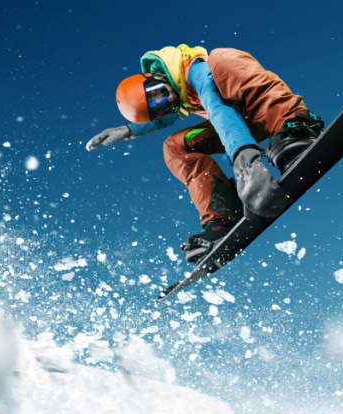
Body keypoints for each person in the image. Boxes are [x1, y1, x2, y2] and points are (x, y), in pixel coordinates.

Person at [82, 44, 325, 262]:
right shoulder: (176, 96)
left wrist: (245, 163)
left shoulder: (194, 72)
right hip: (244, 123)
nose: (166, 99)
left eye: (157, 93)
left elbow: (219, 111)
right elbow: (161, 119)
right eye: (159, 106)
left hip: (261, 105)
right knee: (175, 146)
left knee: (223, 58)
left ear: (154, 77)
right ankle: (223, 214)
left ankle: (297, 124)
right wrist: (127, 130)